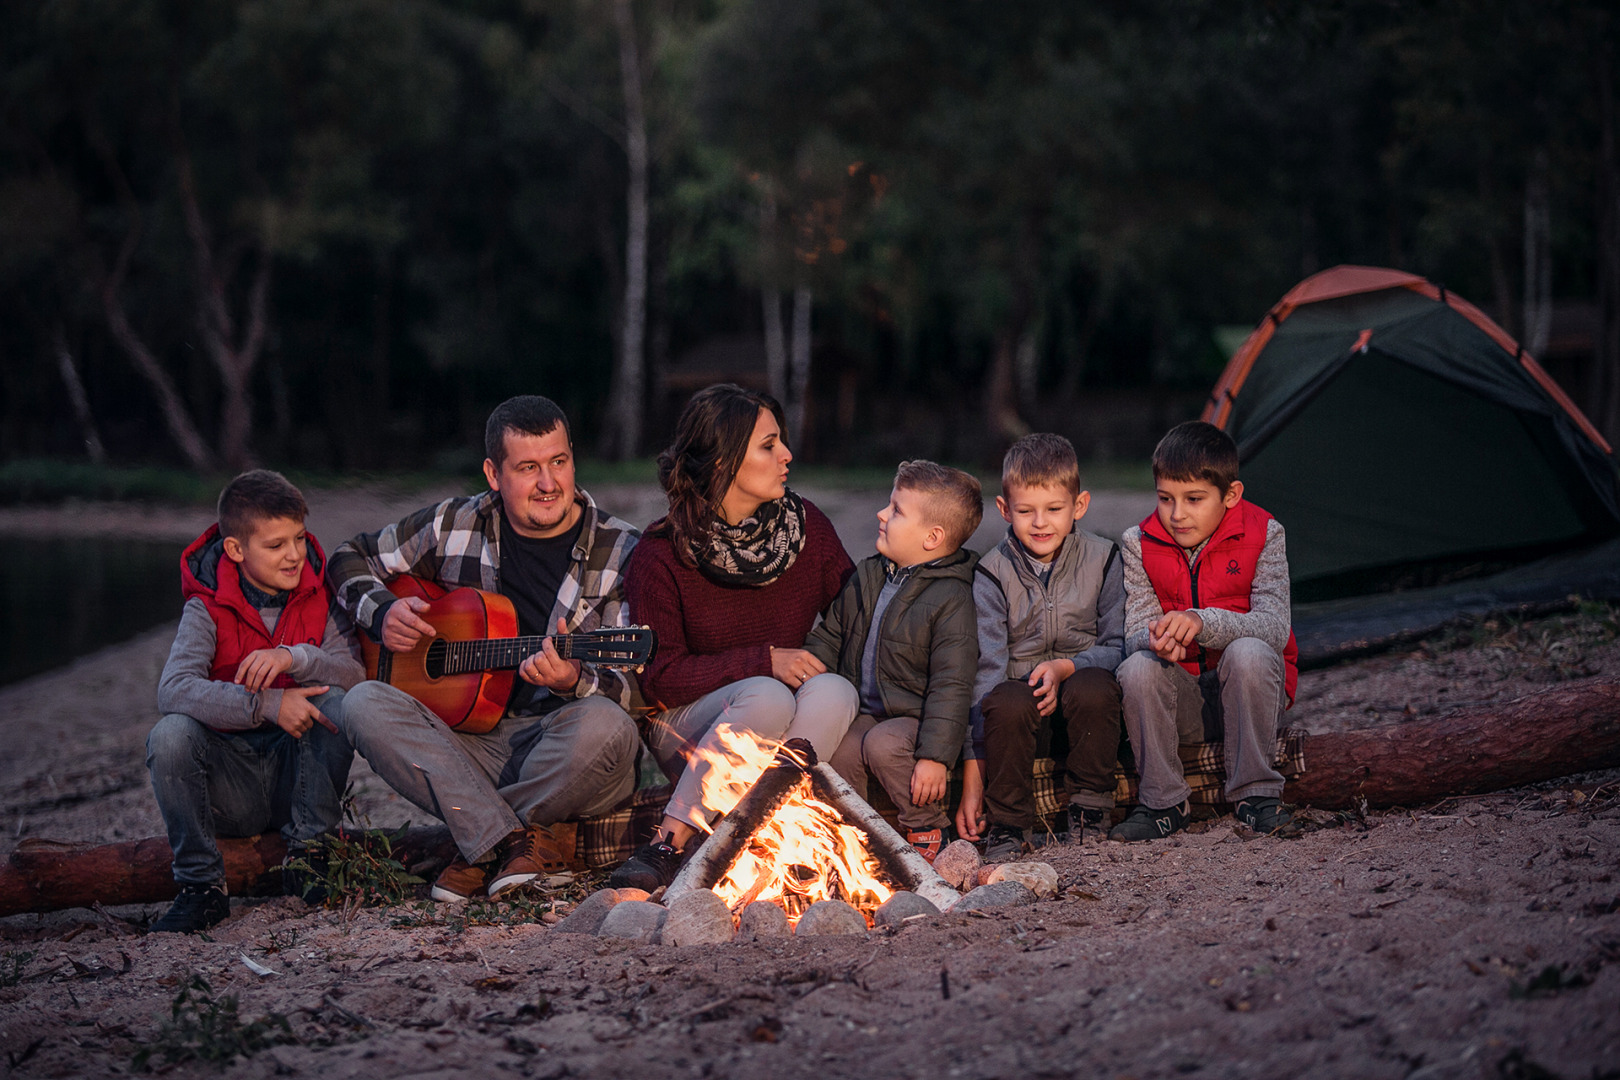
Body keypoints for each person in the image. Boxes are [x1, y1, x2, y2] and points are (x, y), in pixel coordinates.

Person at [328, 396, 643, 901]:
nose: (549, 483)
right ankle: (510, 843)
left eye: (559, 462)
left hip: (561, 752)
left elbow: (636, 688)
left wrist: (573, 680)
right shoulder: (455, 524)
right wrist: (383, 611)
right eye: (528, 468)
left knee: (610, 727)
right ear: (493, 474)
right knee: (363, 702)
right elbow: (350, 556)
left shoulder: (624, 550)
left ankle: (479, 835)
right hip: (470, 744)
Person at [613, 383, 859, 891]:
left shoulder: (805, 526)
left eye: (781, 442)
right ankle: (669, 843)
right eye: (768, 446)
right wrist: (763, 661)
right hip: (687, 722)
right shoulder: (661, 555)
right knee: (766, 695)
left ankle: (765, 833)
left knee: (836, 690)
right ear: (724, 461)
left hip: (783, 707)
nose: (787, 455)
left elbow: (855, 614)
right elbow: (661, 679)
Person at [148, 470, 360, 933]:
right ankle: (202, 888)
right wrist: (265, 705)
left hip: (299, 779)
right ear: (236, 550)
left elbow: (354, 672)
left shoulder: (322, 596)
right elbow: (174, 688)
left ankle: (309, 860)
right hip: (232, 784)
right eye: (276, 545)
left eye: (300, 539)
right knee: (169, 735)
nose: (295, 555)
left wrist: (294, 657)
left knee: (343, 703)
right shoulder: (205, 607)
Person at [1112, 420, 1299, 841]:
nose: (1177, 514)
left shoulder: (1265, 532)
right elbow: (1134, 634)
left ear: (1230, 495)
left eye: (1194, 499)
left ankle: (1257, 796)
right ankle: (1163, 803)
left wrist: (1201, 621)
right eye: (1165, 499)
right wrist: (1157, 639)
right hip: (1186, 700)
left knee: (1248, 651)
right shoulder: (1138, 543)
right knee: (1138, 667)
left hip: (1252, 692)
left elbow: (1273, 626)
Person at [957, 434, 1125, 859]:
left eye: (1054, 509)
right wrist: (972, 775)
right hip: (1020, 723)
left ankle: (1090, 811)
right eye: (1025, 511)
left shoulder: (1103, 558)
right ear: (1004, 509)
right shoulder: (992, 573)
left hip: (1088, 722)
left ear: (1079, 506)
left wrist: (1067, 666)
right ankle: (1009, 823)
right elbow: (987, 674)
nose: (1040, 523)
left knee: (1093, 683)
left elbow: (1121, 645)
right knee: (1005, 699)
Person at [822, 461, 983, 862]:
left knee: (884, 743)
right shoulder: (868, 575)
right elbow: (831, 635)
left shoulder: (951, 597)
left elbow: (952, 683)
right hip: (865, 710)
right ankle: (859, 837)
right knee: (840, 748)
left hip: (914, 719)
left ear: (932, 537)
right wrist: (809, 663)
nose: (881, 514)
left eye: (896, 510)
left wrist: (934, 757)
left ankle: (928, 828)